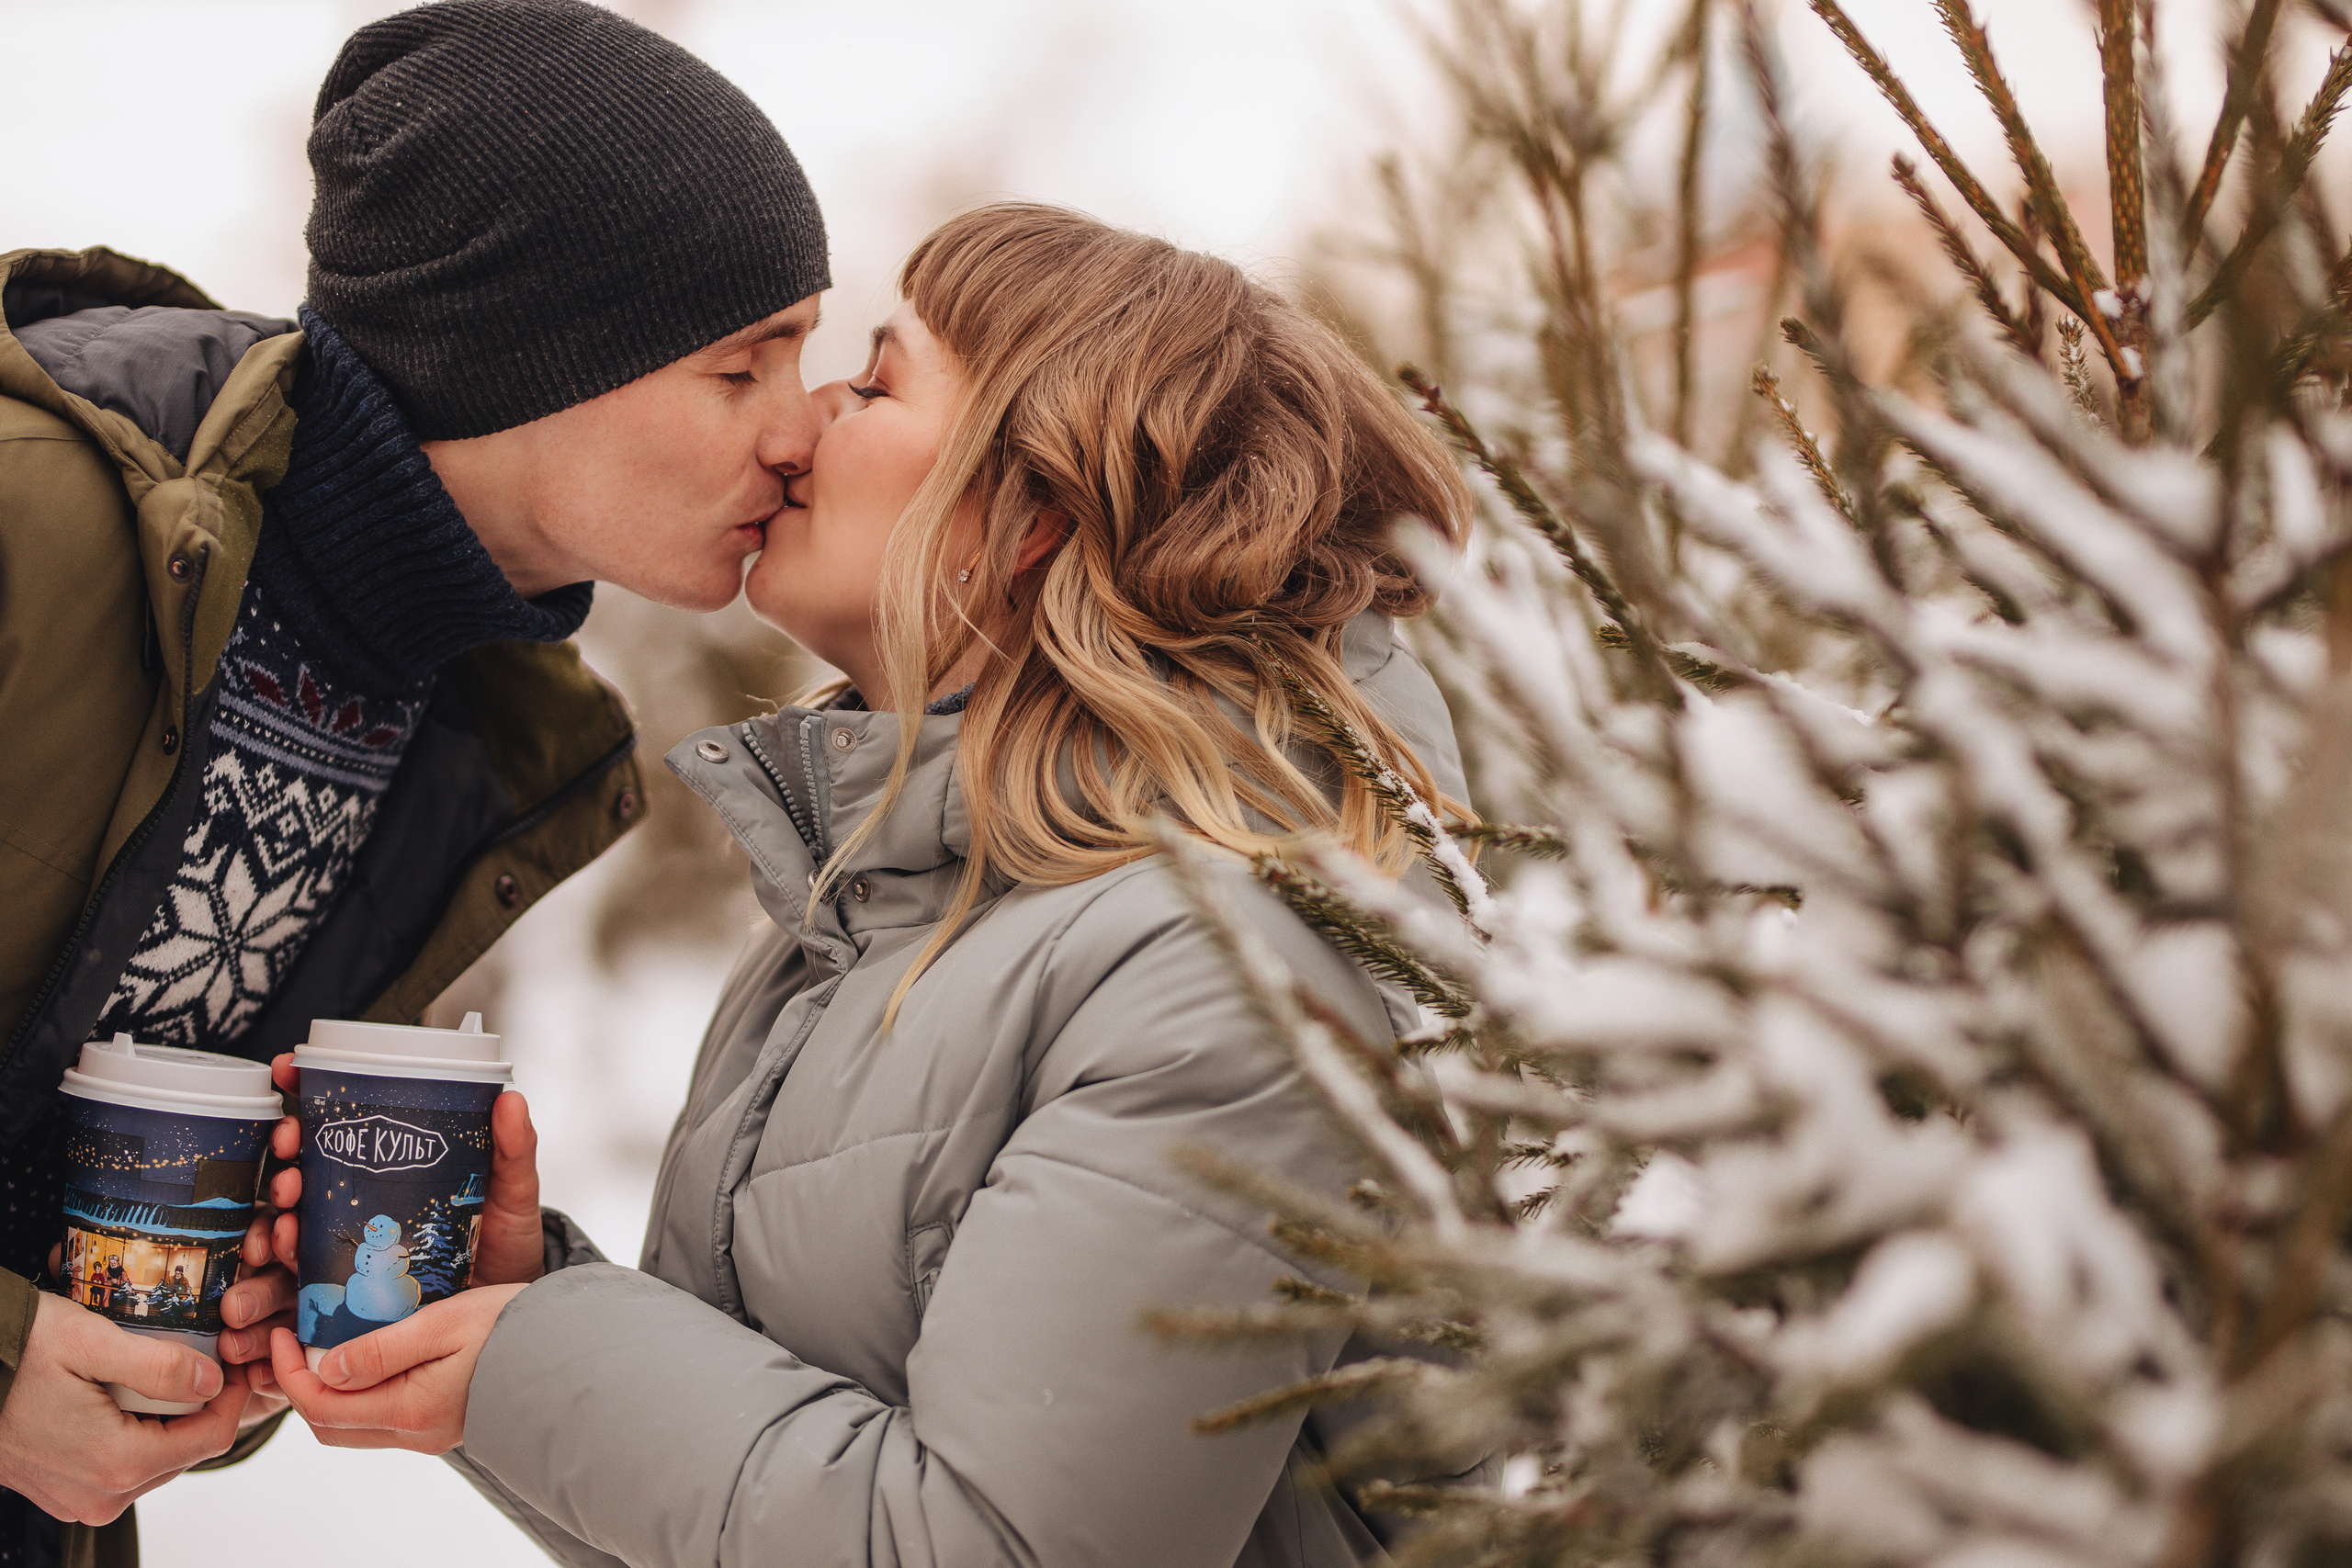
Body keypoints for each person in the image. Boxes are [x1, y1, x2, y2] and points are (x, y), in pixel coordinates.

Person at [269, 204, 1479, 1567]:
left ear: (1033, 516)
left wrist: (537, 1355)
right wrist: (517, 1304)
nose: (798, 430)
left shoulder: (1221, 970)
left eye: (876, 380)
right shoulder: (876, 910)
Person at [0, 1, 830, 1561]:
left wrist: (209, 1341)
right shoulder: (41, 516)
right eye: (743, 367)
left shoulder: (479, 730)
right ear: (533, 353)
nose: (802, 433)